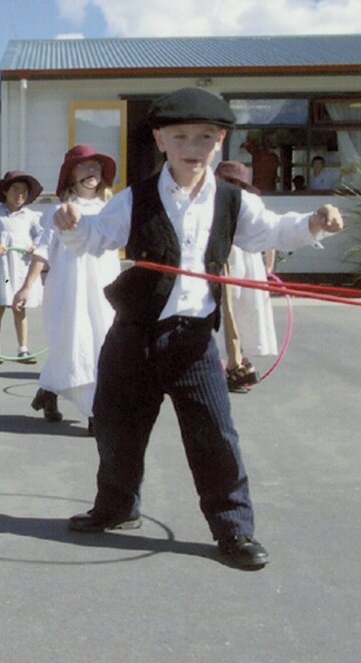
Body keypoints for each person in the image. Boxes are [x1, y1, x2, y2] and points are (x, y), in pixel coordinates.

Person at [51, 87, 344, 569]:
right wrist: (70, 226)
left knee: (214, 435)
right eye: (181, 135)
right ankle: (117, 507)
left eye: (205, 137)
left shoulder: (232, 200)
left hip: (192, 341)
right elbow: (94, 237)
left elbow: (270, 230)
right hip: (134, 332)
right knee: (117, 426)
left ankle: (233, 529)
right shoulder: (135, 198)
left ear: (220, 141)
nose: (193, 145)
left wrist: (313, 221)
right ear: (161, 140)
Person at [14, 146, 119, 431]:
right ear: (71, 176)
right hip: (69, 288)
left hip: (104, 288)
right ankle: (95, 412)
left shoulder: (111, 209)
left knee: (103, 341)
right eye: (83, 167)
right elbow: (43, 249)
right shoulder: (58, 211)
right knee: (76, 343)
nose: (91, 172)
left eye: (95, 166)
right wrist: (26, 286)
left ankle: (48, 391)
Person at [214, 161, 278, 393]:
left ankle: (236, 363)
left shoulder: (249, 202)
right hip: (224, 262)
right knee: (226, 312)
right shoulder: (212, 199)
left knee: (240, 311)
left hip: (244, 262)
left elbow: (269, 233)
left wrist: (268, 268)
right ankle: (229, 363)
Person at [0, 170, 44, 364]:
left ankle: (23, 348)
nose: (19, 194)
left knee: (19, 307)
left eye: (24, 191)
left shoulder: (31, 216)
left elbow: (41, 236)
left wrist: (34, 246)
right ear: (5, 191)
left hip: (21, 269)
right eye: (15, 189)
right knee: (0, 304)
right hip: (2, 269)